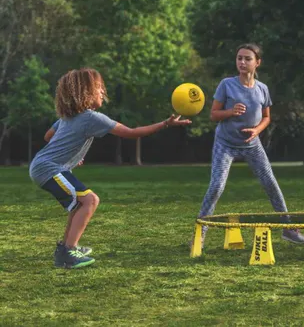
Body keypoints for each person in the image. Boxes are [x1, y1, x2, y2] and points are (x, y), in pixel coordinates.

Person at [30, 68, 191, 269]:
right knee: (90, 200)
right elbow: (132, 133)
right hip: (49, 168)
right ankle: (68, 253)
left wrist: (71, 154)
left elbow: (48, 136)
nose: (102, 93)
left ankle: (66, 248)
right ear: (84, 93)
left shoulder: (67, 117)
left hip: (43, 166)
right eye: (98, 88)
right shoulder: (92, 118)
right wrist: (165, 124)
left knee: (80, 203)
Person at [192, 43, 304, 247]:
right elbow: (213, 115)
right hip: (225, 144)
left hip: (252, 144)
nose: (242, 62)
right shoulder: (226, 85)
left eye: (247, 59)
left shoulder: (262, 89)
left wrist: (256, 131)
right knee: (217, 186)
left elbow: (266, 117)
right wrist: (230, 112)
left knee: (271, 183)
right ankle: (200, 233)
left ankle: (288, 229)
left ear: (257, 63)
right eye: (239, 58)